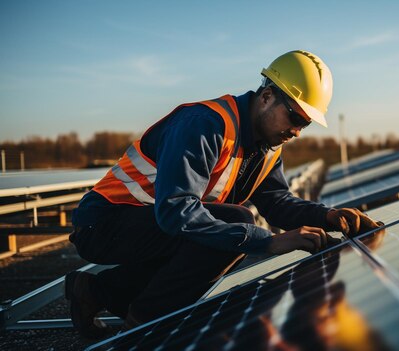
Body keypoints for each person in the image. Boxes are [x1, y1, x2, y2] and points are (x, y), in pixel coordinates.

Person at [65, 50, 382, 338]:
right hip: (103, 224)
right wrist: (265, 242)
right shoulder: (206, 125)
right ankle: (144, 327)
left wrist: (327, 216)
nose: (298, 131)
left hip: (152, 229)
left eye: (306, 124)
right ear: (267, 96)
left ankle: (96, 292)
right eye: (296, 117)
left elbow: (276, 202)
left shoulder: (268, 147)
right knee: (237, 223)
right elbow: (175, 210)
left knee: (227, 229)